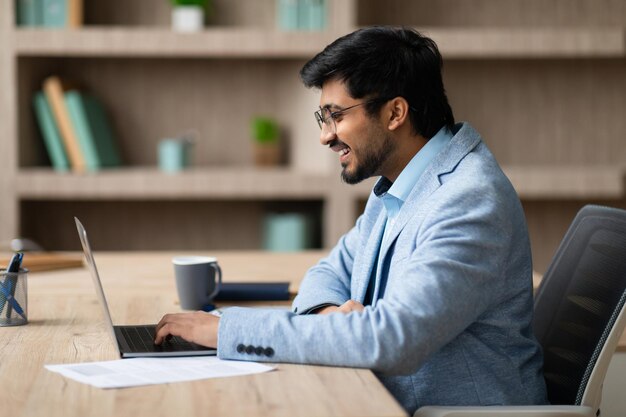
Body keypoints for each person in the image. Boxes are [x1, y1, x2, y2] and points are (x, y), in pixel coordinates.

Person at [155, 26, 547, 414]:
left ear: (395, 112)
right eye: (322, 118)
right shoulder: (400, 184)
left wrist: (225, 330)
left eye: (336, 116)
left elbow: (392, 340)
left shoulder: (468, 200)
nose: (326, 137)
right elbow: (327, 274)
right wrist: (333, 317)